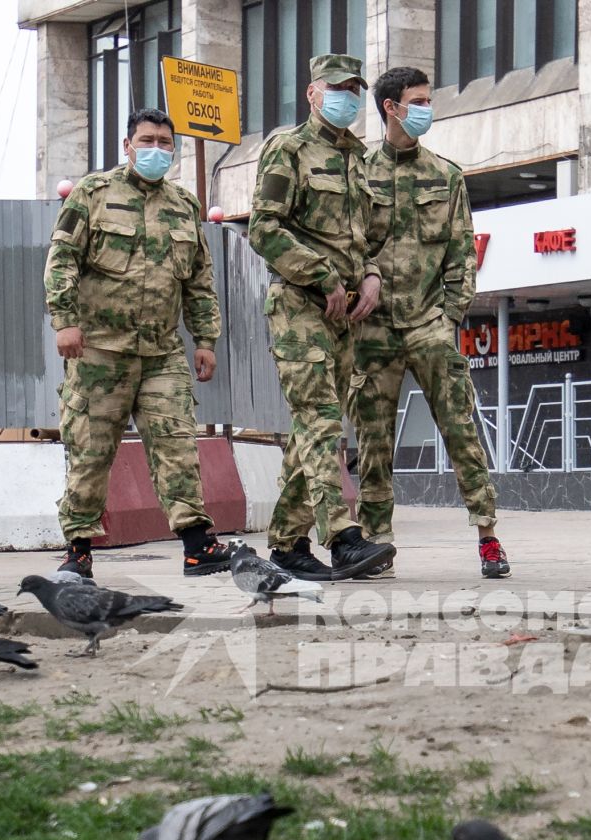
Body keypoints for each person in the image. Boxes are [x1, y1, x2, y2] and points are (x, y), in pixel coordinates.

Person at [44, 107, 232, 579]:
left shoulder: (185, 206)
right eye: (146, 141)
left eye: (164, 143)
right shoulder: (93, 193)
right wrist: (65, 321)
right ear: (127, 146)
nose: (155, 150)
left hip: (162, 352)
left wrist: (205, 338)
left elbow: (199, 281)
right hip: (99, 352)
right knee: (91, 452)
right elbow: (62, 257)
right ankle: (78, 549)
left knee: (177, 447)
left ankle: (196, 546)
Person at [350, 65, 508, 580]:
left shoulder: (447, 176)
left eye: (428, 100)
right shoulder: (358, 172)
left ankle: (488, 535)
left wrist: (450, 316)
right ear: (390, 107)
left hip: (429, 324)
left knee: (460, 429)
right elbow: (347, 246)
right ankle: (377, 543)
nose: (426, 109)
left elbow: (463, 253)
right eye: (417, 101)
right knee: (373, 441)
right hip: (371, 329)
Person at [248, 53, 397, 582]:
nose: (347, 98)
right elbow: (263, 228)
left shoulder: (359, 160)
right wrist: (322, 275)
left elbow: (368, 241)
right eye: (337, 88)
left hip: (344, 317)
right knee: (320, 421)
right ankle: (342, 538)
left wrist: (372, 276)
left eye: (355, 89)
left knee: (314, 428)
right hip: (299, 307)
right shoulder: (287, 150)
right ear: (313, 93)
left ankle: (288, 546)